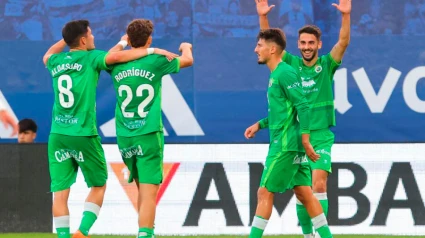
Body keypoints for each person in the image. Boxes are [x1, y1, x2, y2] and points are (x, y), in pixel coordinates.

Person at [43, 19, 177, 238]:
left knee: (59, 193)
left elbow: (46, 54)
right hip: (83, 133)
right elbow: (115, 57)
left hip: (57, 134)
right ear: (84, 39)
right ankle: (83, 231)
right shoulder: (91, 58)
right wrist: (152, 49)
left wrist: (68, 39)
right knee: (98, 185)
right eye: (91, 34)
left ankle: (63, 236)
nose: (94, 37)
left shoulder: (55, 61)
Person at [255, 0, 351, 236]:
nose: (306, 47)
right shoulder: (292, 65)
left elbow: (343, 42)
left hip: (318, 136)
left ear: (319, 44)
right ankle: (309, 234)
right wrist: (263, 17)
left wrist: (346, 16)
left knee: (318, 184)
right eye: (303, 43)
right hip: (298, 136)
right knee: (303, 190)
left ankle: (316, 234)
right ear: (298, 45)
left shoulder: (327, 65)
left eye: (311, 43)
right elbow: (270, 46)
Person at [107, 19, 193, 238]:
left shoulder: (115, 63)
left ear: (129, 38)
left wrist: (122, 43)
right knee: (149, 193)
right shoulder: (156, 60)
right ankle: (145, 234)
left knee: (141, 190)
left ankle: (144, 232)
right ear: (149, 39)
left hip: (125, 136)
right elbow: (187, 61)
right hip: (148, 133)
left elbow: (111, 55)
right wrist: (186, 47)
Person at [244, 28, 333, 238]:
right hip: (290, 143)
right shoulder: (277, 74)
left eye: (259, 45)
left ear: (272, 49)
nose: (256, 49)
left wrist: (306, 140)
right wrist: (260, 124)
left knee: (264, 192)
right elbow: (286, 111)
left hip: (285, 145)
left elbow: (302, 106)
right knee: (305, 194)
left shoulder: (284, 73)